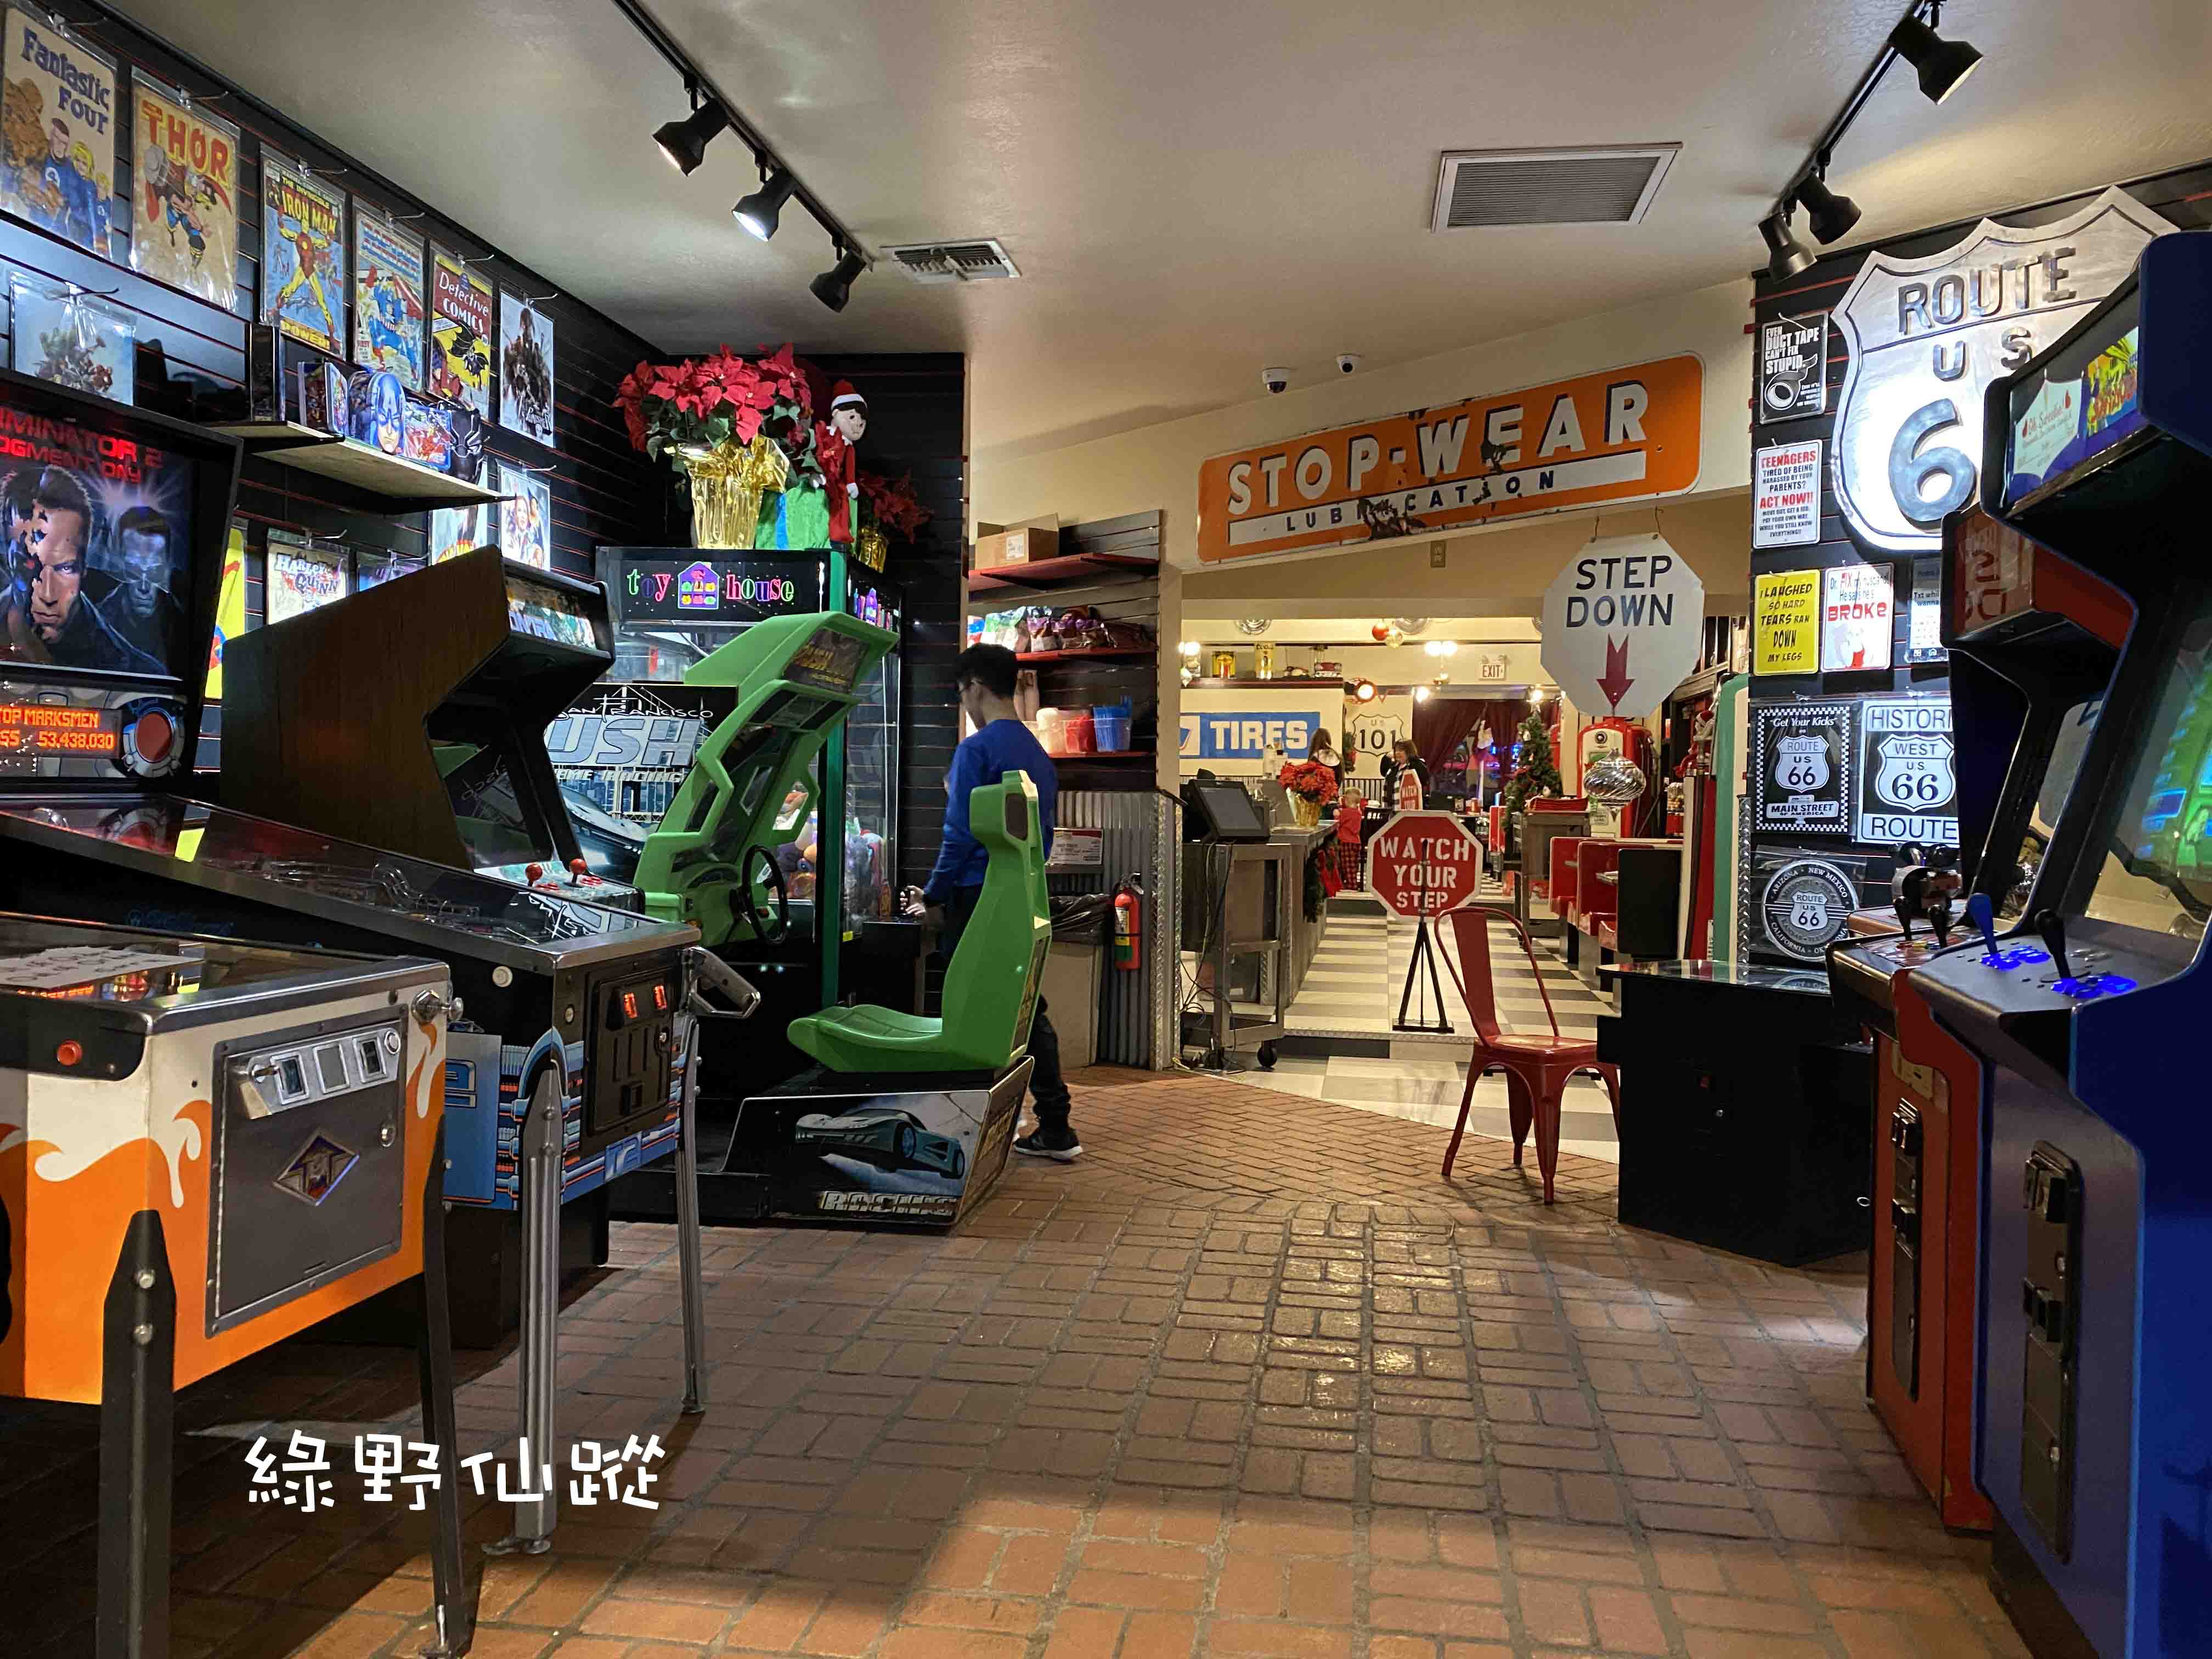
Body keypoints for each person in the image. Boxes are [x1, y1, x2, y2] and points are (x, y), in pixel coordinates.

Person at [902, 642, 1080, 1160]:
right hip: (1023, 892)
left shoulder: (975, 751)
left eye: (962, 695)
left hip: (977, 896)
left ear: (975, 687)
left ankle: (972, 1123)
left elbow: (958, 835)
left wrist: (934, 893)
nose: (965, 705)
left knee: (971, 1004)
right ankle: (1050, 1121)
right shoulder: (1037, 753)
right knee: (1023, 1006)